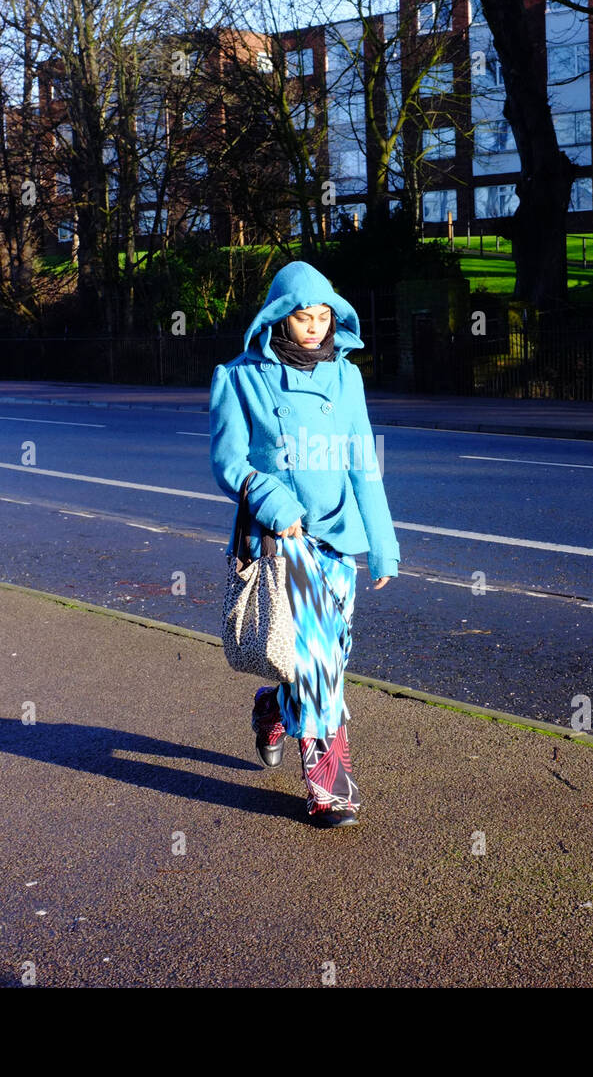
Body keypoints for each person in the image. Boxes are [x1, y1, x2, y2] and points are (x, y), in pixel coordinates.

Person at [209, 261, 400, 828]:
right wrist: (271, 500)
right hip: (281, 538)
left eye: (323, 316)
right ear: (279, 317)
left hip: (339, 535)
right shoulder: (240, 377)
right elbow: (228, 463)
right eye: (303, 316)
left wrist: (383, 544)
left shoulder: (347, 377)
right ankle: (328, 784)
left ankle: (273, 706)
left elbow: (365, 464)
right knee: (318, 664)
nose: (315, 327)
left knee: (329, 657)